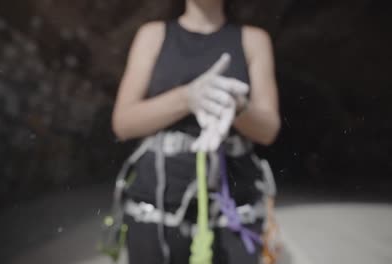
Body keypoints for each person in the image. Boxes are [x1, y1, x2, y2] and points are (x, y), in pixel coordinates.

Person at [106, 0, 281, 263]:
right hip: (158, 203)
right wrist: (187, 97)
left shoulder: (253, 40)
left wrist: (237, 106)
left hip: (233, 203)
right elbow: (123, 122)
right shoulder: (153, 35)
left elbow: (268, 129)